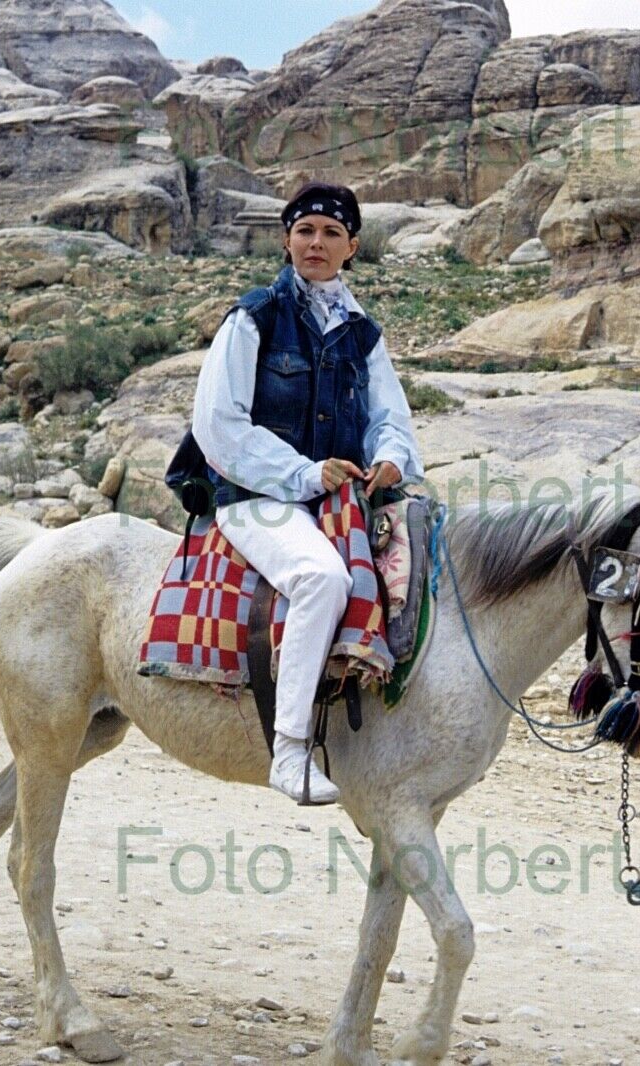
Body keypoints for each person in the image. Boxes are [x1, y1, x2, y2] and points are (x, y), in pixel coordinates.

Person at [190, 181, 424, 806]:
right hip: (256, 497)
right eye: (304, 231)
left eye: (330, 233)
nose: (315, 243)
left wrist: (391, 461)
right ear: (286, 239)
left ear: (352, 247)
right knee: (322, 577)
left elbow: (390, 420)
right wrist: (304, 473)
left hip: (336, 499)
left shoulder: (363, 335)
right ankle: (290, 750)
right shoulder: (253, 317)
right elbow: (219, 426)